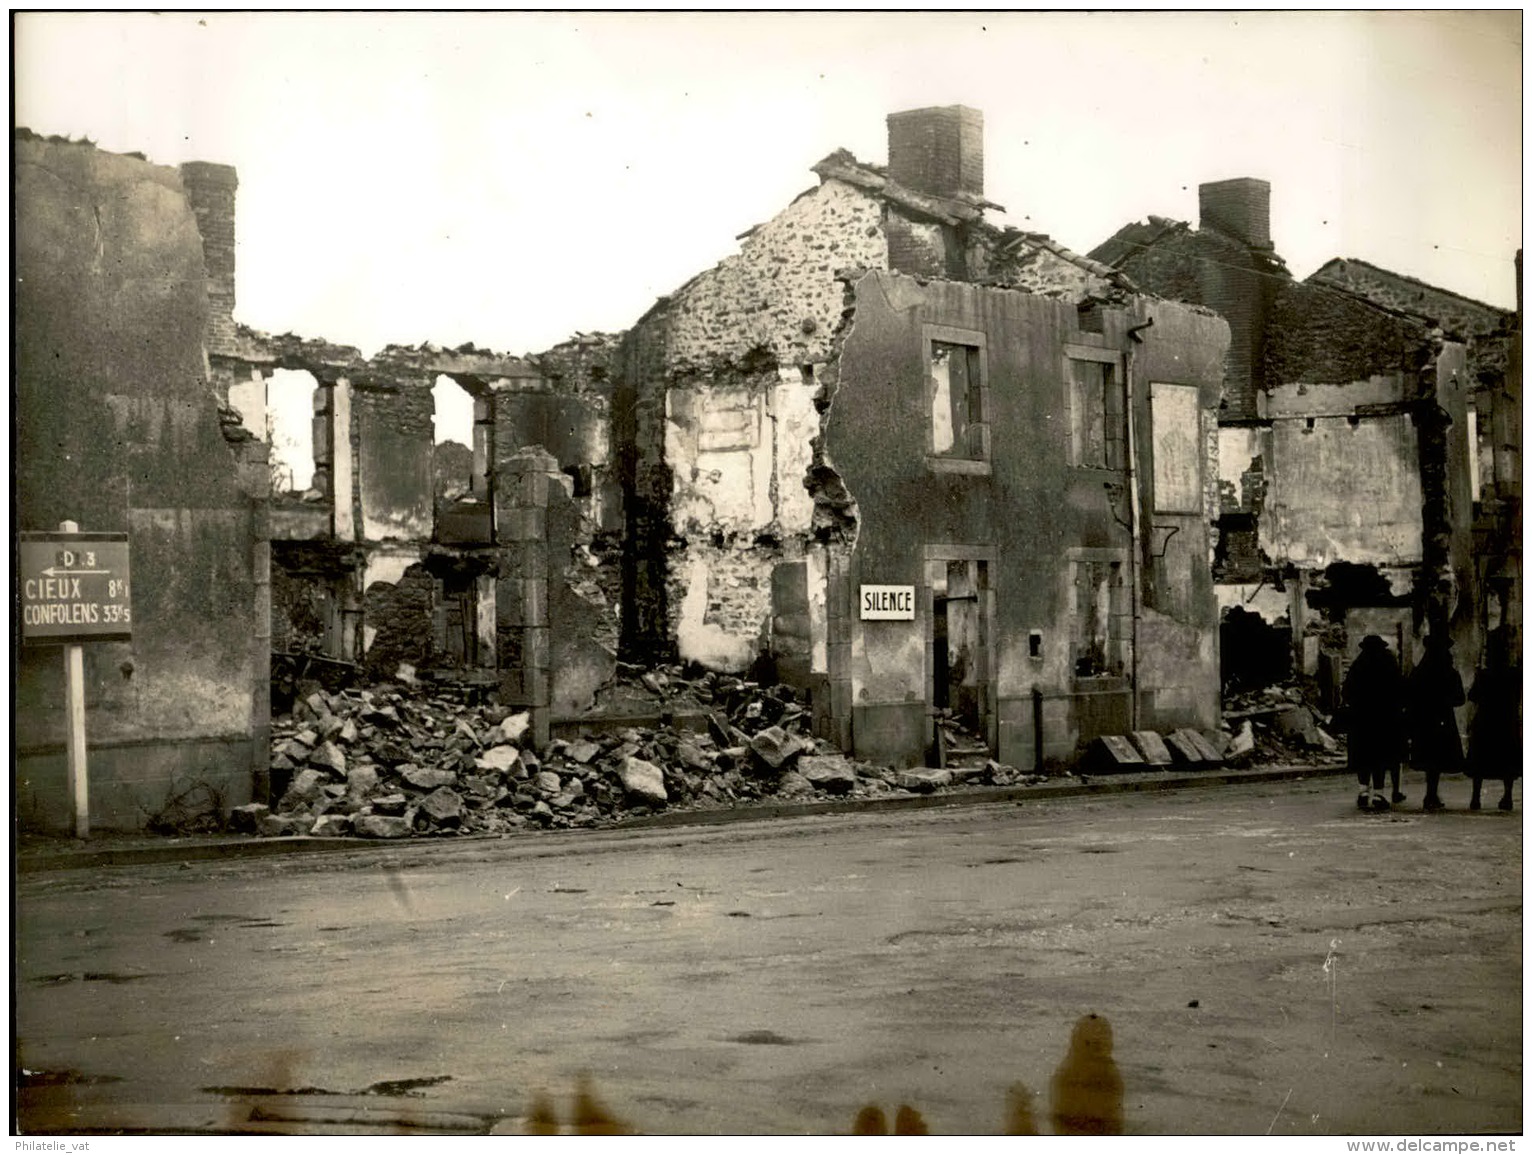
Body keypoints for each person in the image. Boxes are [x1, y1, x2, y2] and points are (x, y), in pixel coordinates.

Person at [1343, 634, 1405, 812]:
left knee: (1363, 756)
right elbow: (1399, 690)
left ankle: (1363, 791)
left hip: (1360, 719)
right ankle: (1378, 793)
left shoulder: (1358, 665)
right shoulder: (1388, 664)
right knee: (1380, 756)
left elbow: (1346, 692)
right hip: (1384, 719)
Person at [1406, 632, 1464, 811]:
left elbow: (1409, 696)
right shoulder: (1449, 673)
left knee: (1429, 758)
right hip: (1443, 720)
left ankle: (1431, 793)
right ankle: (1432, 794)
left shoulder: (1419, 672)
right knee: (1438, 758)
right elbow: (1459, 699)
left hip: (1423, 721)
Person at [1466, 627, 1521, 812]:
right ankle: (1507, 796)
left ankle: (1475, 798)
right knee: (1507, 762)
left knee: (1481, 762)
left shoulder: (1484, 675)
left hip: (1486, 722)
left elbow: (1473, 696)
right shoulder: (1514, 675)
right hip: (1506, 721)